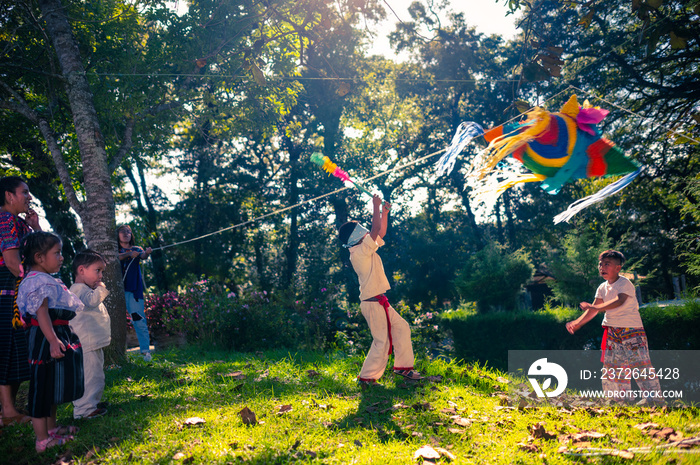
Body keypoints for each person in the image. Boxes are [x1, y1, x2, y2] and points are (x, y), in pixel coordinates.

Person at [338, 194, 422, 386]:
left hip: (378, 301)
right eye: (362, 230)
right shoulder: (359, 252)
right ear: (356, 237)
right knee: (381, 342)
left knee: (401, 327)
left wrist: (384, 212)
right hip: (372, 303)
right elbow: (376, 229)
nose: (367, 232)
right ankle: (367, 378)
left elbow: (380, 232)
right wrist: (375, 206)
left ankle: (403, 368)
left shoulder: (364, 248)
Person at [566, 250, 663, 404]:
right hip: (612, 331)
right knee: (613, 365)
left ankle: (654, 399)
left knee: (640, 363)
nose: (602, 267)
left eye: (607, 264)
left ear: (618, 268)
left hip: (632, 331)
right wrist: (578, 323)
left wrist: (595, 307)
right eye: (600, 264)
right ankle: (618, 399)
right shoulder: (602, 288)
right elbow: (593, 310)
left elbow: (619, 301)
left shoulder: (624, 283)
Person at [16, 232, 84, 452]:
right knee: (41, 386)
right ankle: (42, 440)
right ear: (39, 257)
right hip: (45, 338)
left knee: (51, 382)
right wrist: (53, 340)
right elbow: (42, 313)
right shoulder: (37, 281)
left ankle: (51, 428)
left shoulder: (45, 278)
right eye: (57, 253)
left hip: (53, 333)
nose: (62, 257)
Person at [0, 176, 40, 426]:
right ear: (9, 196)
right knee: (7, 348)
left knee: (15, 348)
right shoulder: (4, 219)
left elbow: (42, 252)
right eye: (24, 192)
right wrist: (36, 284)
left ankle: (9, 410)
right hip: (7, 289)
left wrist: (35, 227)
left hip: (19, 290)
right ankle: (7, 411)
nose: (29, 197)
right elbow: (14, 264)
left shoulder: (20, 222)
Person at [69, 249, 110, 419]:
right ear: (81, 270)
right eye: (97, 270)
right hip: (87, 342)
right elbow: (93, 301)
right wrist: (101, 289)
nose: (100, 276)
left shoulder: (83, 289)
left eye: (102, 271)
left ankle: (91, 403)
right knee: (91, 376)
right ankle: (84, 410)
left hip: (93, 342)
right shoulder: (79, 289)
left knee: (96, 374)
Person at [117, 225, 152, 361]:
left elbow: (143, 256)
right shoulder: (115, 250)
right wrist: (128, 254)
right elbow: (116, 257)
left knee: (139, 320)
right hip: (116, 291)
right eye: (123, 231)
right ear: (117, 234)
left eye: (128, 232)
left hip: (133, 291)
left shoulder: (137, 249)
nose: (126, 234)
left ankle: (145, 351)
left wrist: (147, 252)